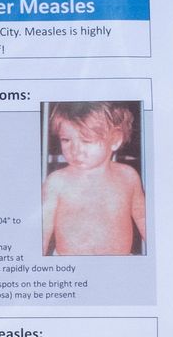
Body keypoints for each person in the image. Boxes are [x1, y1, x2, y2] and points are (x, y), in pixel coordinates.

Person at [41, 100, 146, 256]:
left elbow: (143, 218)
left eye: (86, 140)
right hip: (71, 268)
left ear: (115, 140)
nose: (75, 150)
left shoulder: (128, 177)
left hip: (119, 266)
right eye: (66, 140)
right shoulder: (57, 182)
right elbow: (42, 230)